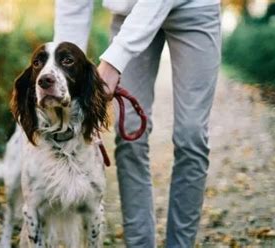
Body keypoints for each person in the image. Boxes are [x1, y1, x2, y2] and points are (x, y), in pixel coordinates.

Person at [54, 0, 221, 247]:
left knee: (191, 136)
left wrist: (113, 61)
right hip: (128, 12)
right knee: (128, 131)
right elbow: (73, 5)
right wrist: (64, 73)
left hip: (195, 9)